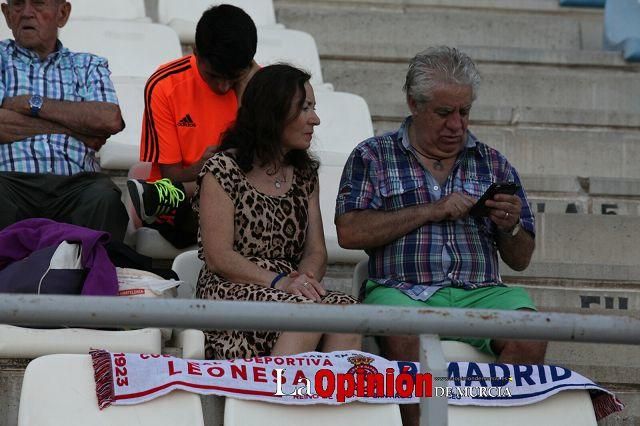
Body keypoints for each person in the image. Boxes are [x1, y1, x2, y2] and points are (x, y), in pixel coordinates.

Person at [335, 47, 546, 425]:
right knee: (404, 333)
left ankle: (487, 420)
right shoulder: (372, 156)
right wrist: (430, 210)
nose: (457, 125)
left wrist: (510, 225)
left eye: (464, 112)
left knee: (531, 335)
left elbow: (520, 259)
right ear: (413, 103)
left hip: (481, 288)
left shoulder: (493, 162)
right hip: (401, 287)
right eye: (444, 113)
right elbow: (349, 232)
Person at [193, 64, 361, 360]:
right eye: (304, 108)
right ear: (273, 113)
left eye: (313, 107)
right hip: (231, 289)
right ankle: (281, 401)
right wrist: (280, 283)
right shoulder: (222, 170)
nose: (315, 119)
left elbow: (316, 251)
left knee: (347, 312)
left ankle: (333, 404)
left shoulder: (305, 173)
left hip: (287, 286)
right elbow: (218, 256)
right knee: (306, 314)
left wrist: (303, 282)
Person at [128, 4, 260, 248]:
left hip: (246, 201)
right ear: (194, 51)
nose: (222, 87)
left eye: (233, 78)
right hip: (182, 210)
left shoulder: (263, 87)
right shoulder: (166, 84)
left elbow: (265, 163)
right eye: (213, 76)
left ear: (248, 65)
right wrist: (202, 166)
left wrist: (245, 96)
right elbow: (172, 173)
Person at [0, 0, 128, 241]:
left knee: (104, 197)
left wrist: (30, 102)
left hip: (76, 184)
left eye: (38, 3)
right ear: (6, 14)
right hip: (10, 182)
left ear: (63, 13)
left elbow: (109, 119)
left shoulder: (89, 65)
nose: (27, 12)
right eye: (17, 4)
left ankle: (92, 277)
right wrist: (77, 129)